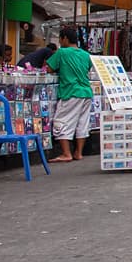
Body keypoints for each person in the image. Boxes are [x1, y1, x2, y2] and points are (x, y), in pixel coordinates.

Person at [46, 28, 94, 162]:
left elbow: (49, 68)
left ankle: (66, 153)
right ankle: (78, 153)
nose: (60, 42)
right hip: (86, 92)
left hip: (70, 92)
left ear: (65, 38)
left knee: (61, 121)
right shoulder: (85, 54)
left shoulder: (62, 52)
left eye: (60, 39)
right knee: (82, 123)